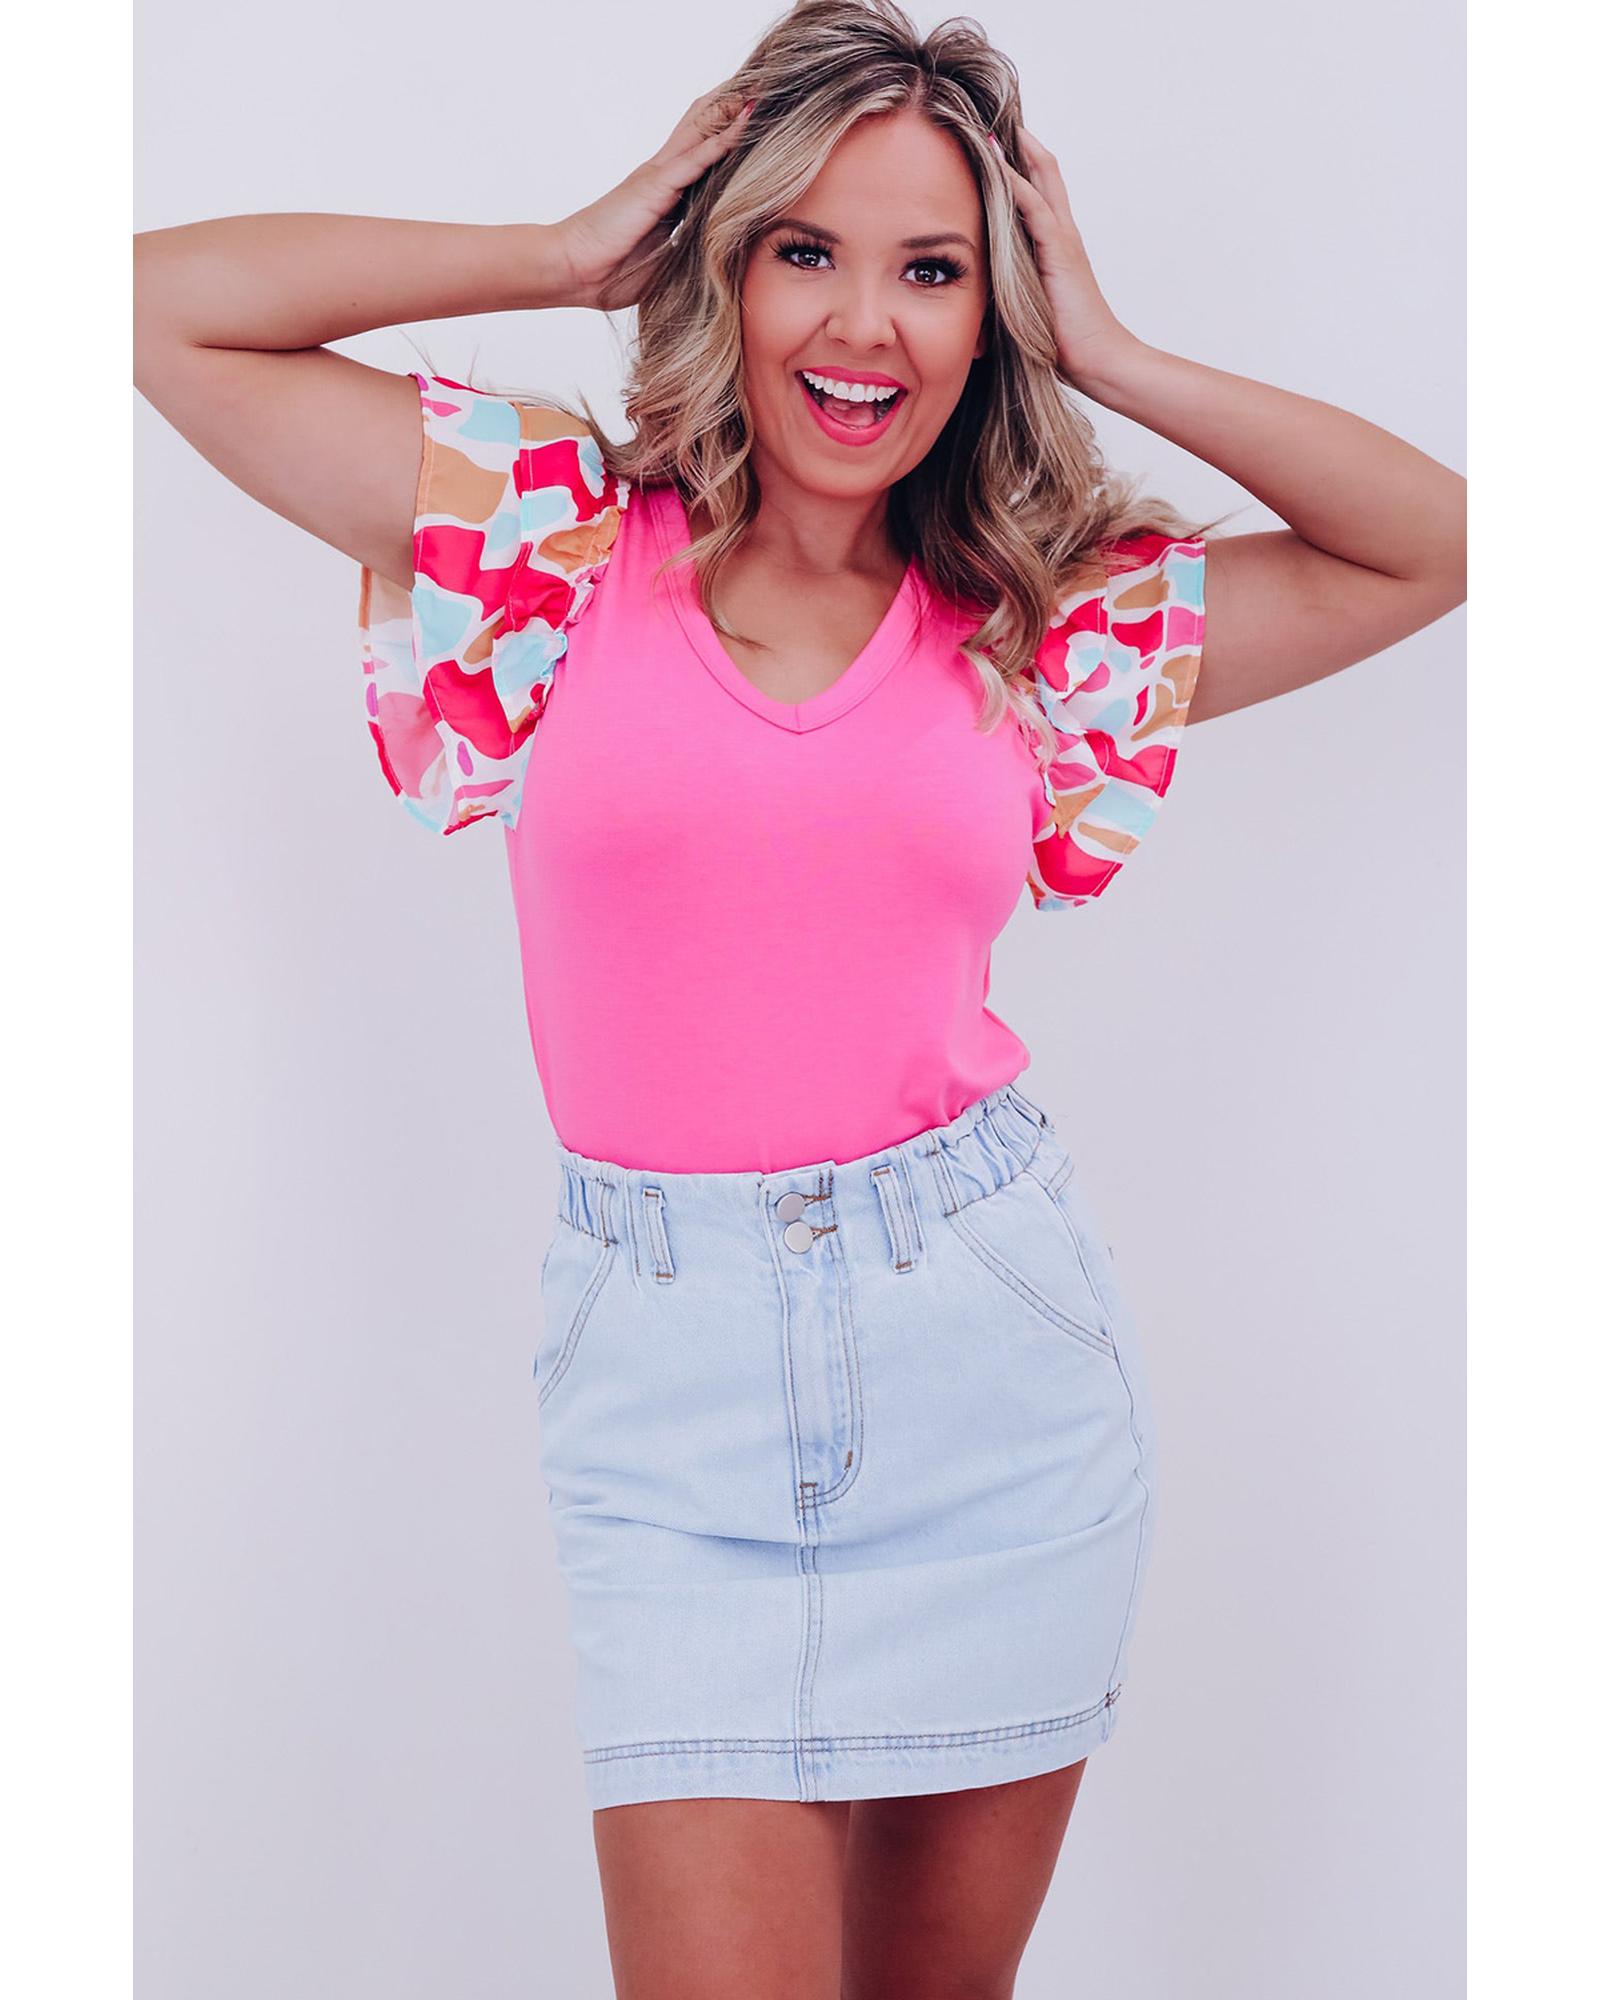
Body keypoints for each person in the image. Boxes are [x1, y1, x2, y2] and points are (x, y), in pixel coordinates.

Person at [132, 2, 1466, 1992]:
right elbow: (153, 306)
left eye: (933, 270)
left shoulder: (1044, 625)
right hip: (664, 1406)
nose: (863, 324)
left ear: (991, 315)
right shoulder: (548, 546)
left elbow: (1433, 543)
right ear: (727, 269)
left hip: (992, 1382)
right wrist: (563, 250)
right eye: (805, 251)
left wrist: (1108, 352)